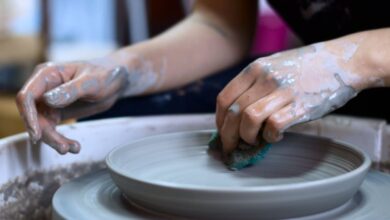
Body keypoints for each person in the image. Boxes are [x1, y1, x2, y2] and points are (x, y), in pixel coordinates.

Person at [16, 0, 390, 155]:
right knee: (118, 117)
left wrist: (347, 63)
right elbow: (221, 24)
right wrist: (122, 70)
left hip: (365, 66)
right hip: (320, 70)